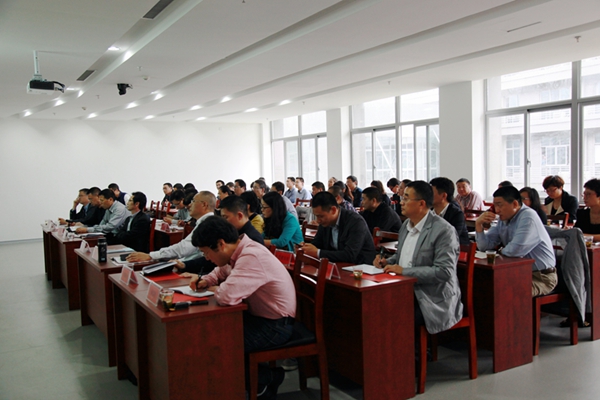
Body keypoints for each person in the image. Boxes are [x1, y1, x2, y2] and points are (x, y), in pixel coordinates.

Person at [187, 216, 295, 399]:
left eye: (206, 253)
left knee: (216, 343)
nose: (206, 258)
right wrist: (207, 280)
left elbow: (226, 297)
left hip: (275, 326)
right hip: (258, 318)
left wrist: (215, 289)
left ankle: (265, 378)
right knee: (210, 333)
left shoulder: (251, 256)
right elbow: (220, 271)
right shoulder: (237, 251)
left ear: (221, 244)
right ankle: (255, 380)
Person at [374, 180, 463, 334]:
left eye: (406, 198)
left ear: (421, 203)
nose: (401, 202)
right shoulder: (406, 225)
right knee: (372, 307)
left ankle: (410, 349)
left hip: (431, 297)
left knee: (394, 316)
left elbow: (444, 271)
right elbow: (402, 257)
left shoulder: (444, 230)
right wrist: (386, 262)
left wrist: (403, 271)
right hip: (405, 290)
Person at [475, 186, 557, 296]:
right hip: (518, 272)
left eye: (500, 205)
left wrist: (500, 251)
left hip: (541, 277)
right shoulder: (504, 219)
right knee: (483, 285)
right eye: (495, 205)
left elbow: (515, 251)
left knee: (505, 292)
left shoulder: (528, 217)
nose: (497, 210)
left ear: (514, 204)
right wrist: (478, 225)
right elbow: (484, 247)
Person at [127, 191, 216, 262]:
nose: (190, 204)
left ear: (204, 205)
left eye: (193, 201)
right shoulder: (204, 222)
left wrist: (151, 256)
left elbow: (183, 249)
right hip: (187, 262)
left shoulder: (208, 224)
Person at [300, 191, 376, 264]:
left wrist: (318, 253)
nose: (318, 220)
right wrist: (305, 248)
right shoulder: (325, 222)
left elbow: (350, 255)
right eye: (316, 216)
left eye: (321, 216)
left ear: (333, 210)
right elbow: (317, 243)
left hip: (360, 266)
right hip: (337, 265)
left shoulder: (356, 222)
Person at [430, 177, 470, 245]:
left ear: (443, 196)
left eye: (431, 193)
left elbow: (452, 237)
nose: (427, 196)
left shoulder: (457, 214)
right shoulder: (429, 212)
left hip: (456, 248)